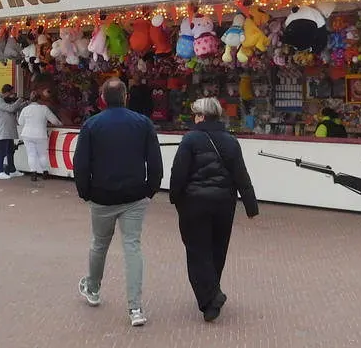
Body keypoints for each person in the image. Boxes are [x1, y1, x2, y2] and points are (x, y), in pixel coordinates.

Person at [72, 78, 163, 327]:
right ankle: (135, 308)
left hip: (102, 194)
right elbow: (154, 160)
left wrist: (85, 191)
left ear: (102, 98)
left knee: (99, 243)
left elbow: (81, 163)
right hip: (134, 194)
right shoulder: (143, 123)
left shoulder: (91, 125)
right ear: (125, 97)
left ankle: (93, 287)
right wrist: (151, 188)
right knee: (132, 247)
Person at [169, 97, 260, 322]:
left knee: (197, 251)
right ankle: (212, 294)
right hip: (223, 203)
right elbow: (241, 173)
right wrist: (250, 204)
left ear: (200, 116)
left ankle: (210, 297)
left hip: (194, 203)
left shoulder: (190, 140)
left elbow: (178, 172)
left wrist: (175, 197)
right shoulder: (230, 141)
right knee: (218, 249)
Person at [17, 89, 62, 181]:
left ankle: (33, 173)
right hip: (40, 135)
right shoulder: (44, 109)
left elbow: (20, 122)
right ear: (39, 99)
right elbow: (54, 121)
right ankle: (45, 172)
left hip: (27, 134)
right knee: (42, 154)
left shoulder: (25, 109)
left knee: (31, 154)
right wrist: (61, 124)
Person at [0, 84, 24, 179]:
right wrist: (19, 100)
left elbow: (14, 107)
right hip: (2, 131)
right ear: (7, 93)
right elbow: (11, 108)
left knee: (10, 151)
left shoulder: (4, 101)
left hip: (8, 131)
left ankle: (11, 169)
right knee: (2, 152)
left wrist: (25, 103)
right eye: (11, 93)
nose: (12, 96)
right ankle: (0, 171)